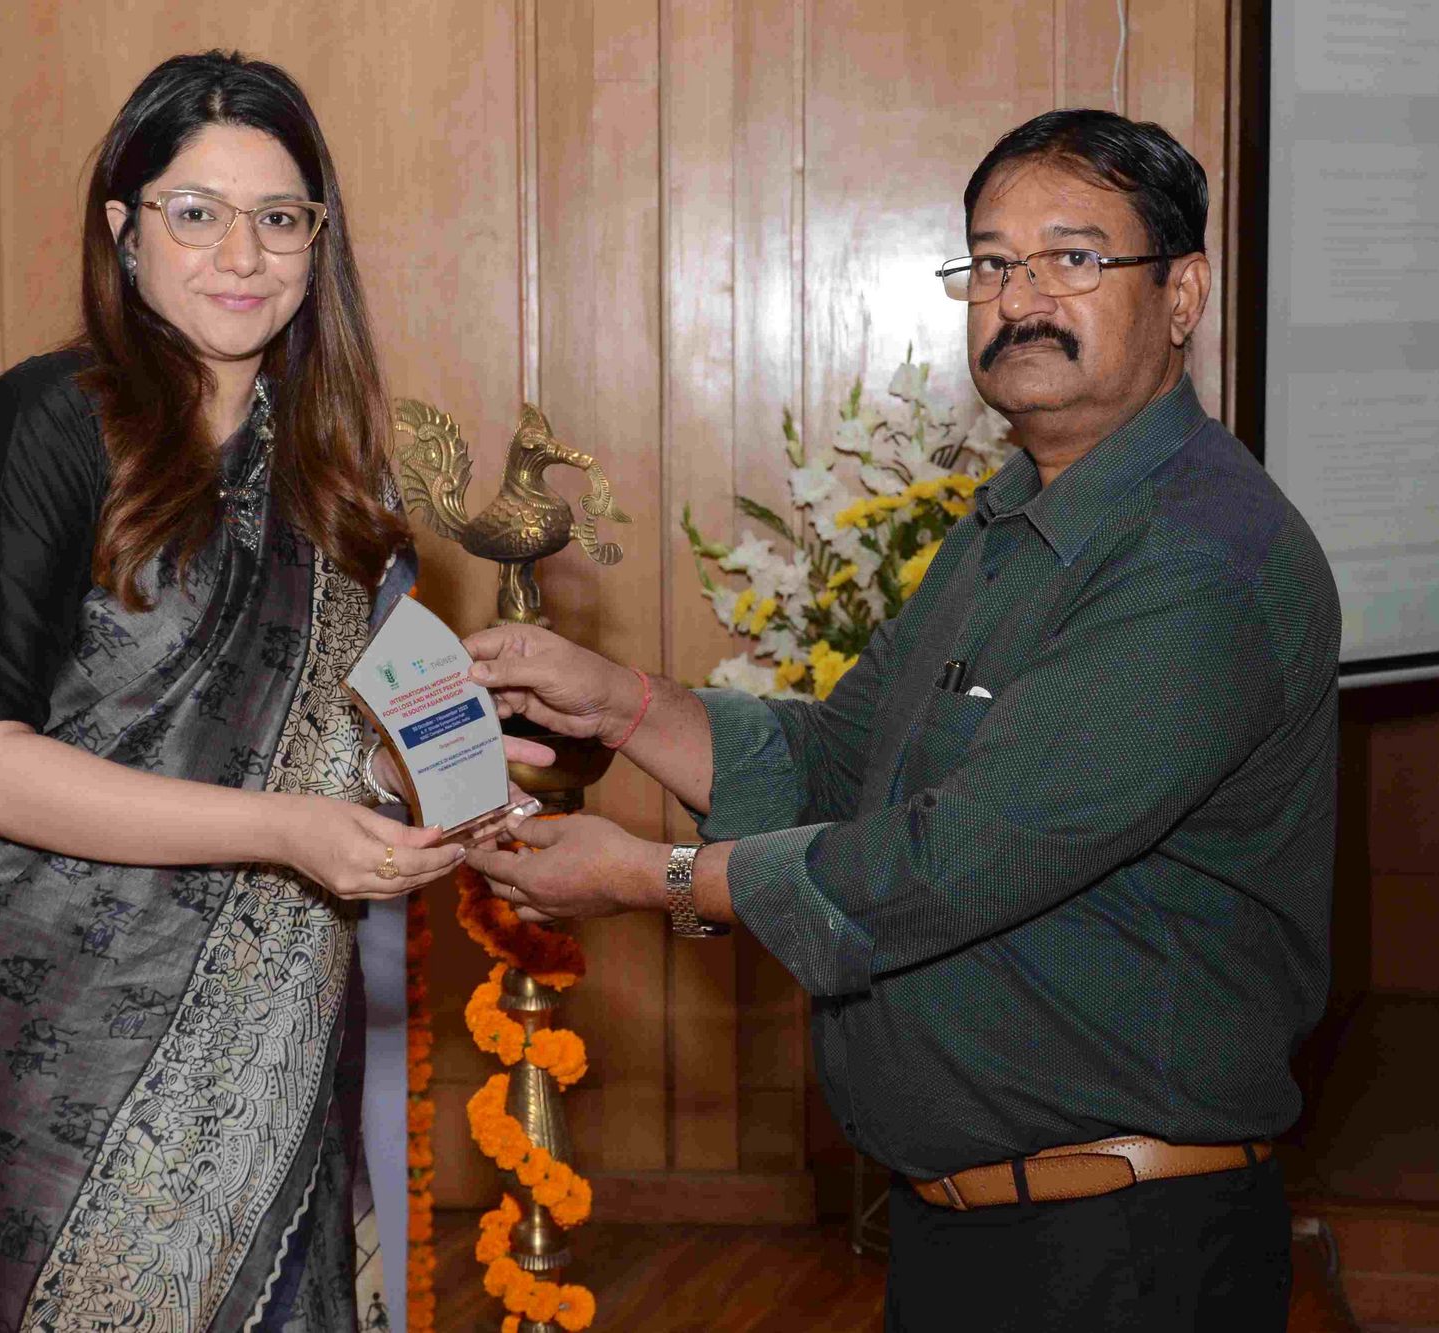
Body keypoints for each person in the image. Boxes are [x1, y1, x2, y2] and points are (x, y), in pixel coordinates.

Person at [462, 109, 1338, 1332]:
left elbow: (951, 860)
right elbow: (837, 760)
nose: (1020, 296)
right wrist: (623, 704)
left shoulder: (1201, 559)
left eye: (1072, 258)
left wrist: (650, 877)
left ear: (1181, 294)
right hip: (970, 1232)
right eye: (989, 263)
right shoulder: (1003, 530)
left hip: (1120, 1255)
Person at [0, 52, 545, 1332]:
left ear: (318, 241)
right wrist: (287, 830)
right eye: (194, 212)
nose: (240, 254)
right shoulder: (42, 425)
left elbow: (345, 733)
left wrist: (465, 787)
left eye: (279, 218)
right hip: (59, 1041)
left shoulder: (336, 475)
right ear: (122, 230)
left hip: (272, 1037)